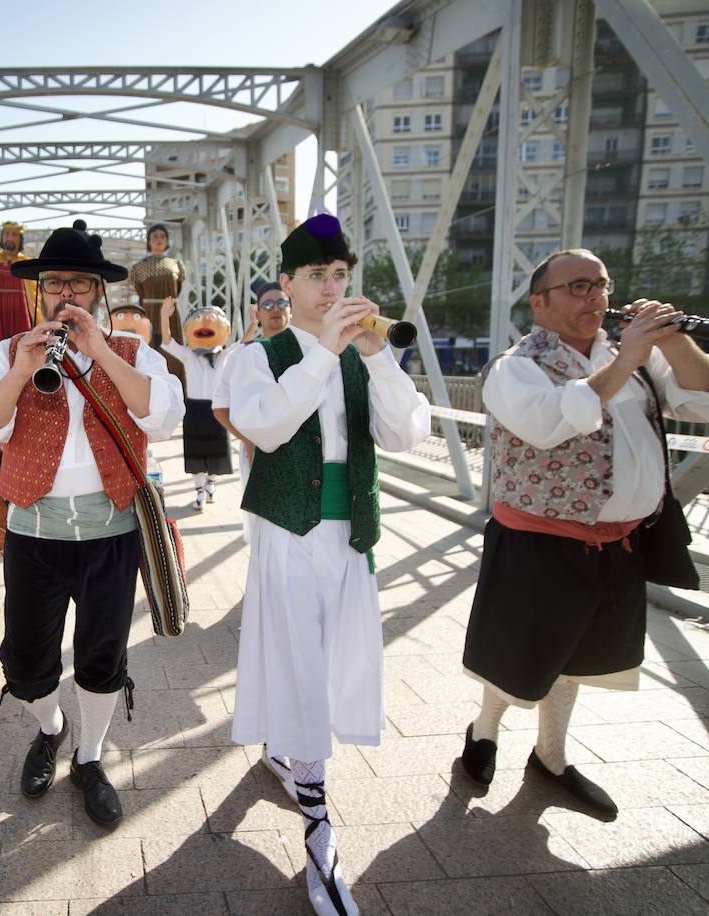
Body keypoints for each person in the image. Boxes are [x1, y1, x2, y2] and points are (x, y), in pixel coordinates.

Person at [459, 248, 709, 818]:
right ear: (539, 303)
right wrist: (627, 358)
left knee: (578, 657)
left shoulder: (631, 355)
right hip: (540, 543)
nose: (595, 297)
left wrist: (673, 340)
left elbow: (705, 399)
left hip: (618, 542)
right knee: (519, 656)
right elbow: (547, 424)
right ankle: (483, 730)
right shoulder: (515, 366)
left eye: (601, 285)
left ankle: (551, 756)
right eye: (578, 286)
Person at [228, 214, 430, 916]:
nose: (332, 287)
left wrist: (376, 354)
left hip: (352, 536)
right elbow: (269, 426)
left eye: (341, 275)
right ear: (286, 283)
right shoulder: (259, 356)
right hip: (289, 534)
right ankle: (318, 827)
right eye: (317, 275)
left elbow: (408, 432)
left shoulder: (360, 355)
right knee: (301, 668)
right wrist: (323, 353)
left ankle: (294, 760)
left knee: (336, 664)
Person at [0, 219, 183, 829]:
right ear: (38, 290)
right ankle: (51, 728)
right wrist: (21, 369)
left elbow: (161, 417)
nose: (66, 296)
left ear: (97, 293)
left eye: (79, 286)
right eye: (55, 284)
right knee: (29, 662)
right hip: (34, 534)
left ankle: (90, 756)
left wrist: (101, 351)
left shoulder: (133, 351)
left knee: (103, 656)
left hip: (111, 533)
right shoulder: (8, 353)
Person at [213, 279, 291, 541]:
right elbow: (220, 407)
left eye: (282, 303)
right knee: (265, 527)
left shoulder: (313, 352)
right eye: (268, 305)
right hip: (258, 454)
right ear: (257, 313)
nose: (275, 309)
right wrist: (248, 440)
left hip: (305, 455)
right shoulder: (241, 355)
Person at [159, 298, 234, 511]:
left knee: (217, 451)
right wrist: (165, 317)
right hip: (194, 409)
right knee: (195, 452)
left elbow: (242, 344)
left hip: (218, 409)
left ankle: (211, 484)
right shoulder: (188, 355)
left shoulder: (224, 356)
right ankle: (200, 491)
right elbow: (167, 341)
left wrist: (254, 324)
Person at [129, 223, 187, 384]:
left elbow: (178, 287)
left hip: (171, 311)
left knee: (173, 349)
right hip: (150, 311)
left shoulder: (177, 265)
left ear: (167, 241)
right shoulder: (138, 267)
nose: (159, 239)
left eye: (162, 236)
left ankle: (177, 387)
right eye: (155, 236)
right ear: (149, 242)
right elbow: (139, 290)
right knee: (152, 347)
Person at [0, 222, 38, 345]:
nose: (10, 238)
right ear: (2, 237)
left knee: (23, 347)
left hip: (20, 311)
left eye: (14, 235)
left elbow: (35, 297)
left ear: (20, 239)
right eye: (7, 234)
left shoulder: (26, 264)